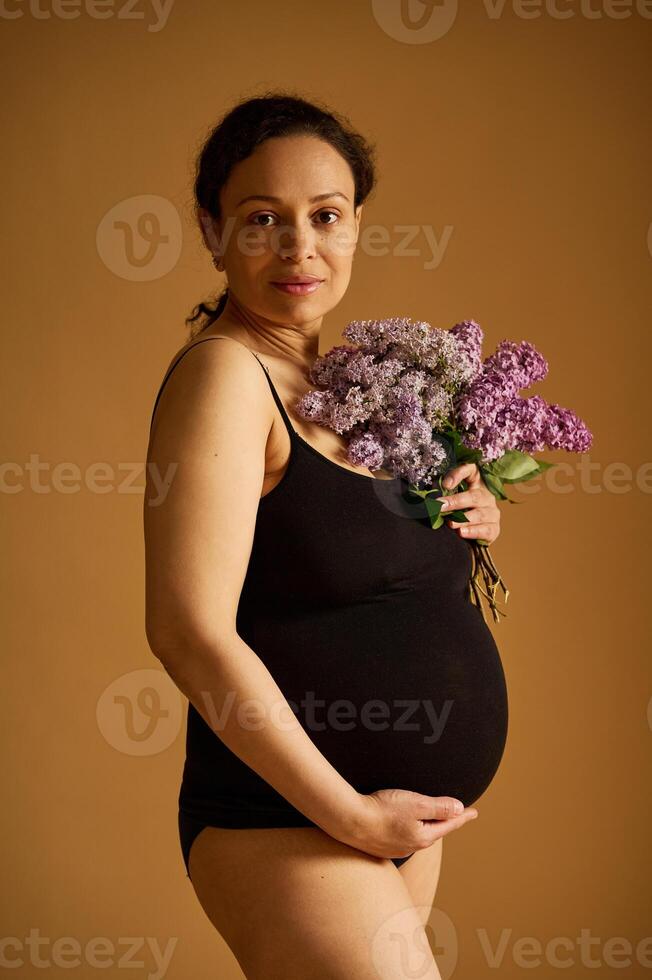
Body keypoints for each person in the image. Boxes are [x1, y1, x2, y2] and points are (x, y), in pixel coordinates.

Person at [144, 91, 507, 980]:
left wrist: (469, 516)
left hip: (395, 824)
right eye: (261, 218)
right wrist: (348, 816)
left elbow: (357, 572)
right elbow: (187, 632)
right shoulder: (227, 376)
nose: (299, 247)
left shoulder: (354, 387)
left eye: (326, 217)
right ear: (211, 229)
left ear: (356, 227)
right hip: (291, 816)